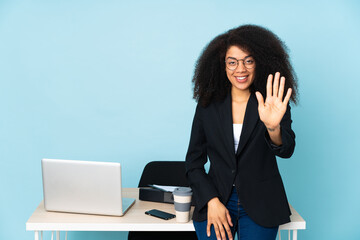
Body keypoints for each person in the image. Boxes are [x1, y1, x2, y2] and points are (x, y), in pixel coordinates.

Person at [185, 24, 298, 240]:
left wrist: (272, 127)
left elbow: (287, 150)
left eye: (248, 61)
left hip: (261, 203)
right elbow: (193, 163)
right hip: (217, 199)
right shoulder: (208, 104)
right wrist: (212, 201)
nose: (240, 69)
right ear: (222, 65)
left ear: (259, 63)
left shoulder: (272, 101)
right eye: (232, 62)